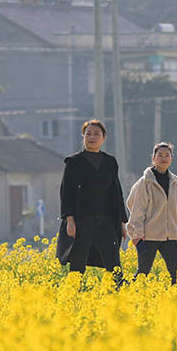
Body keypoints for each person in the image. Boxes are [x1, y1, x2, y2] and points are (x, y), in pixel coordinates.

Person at [56, 119, 128, 284]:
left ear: (103, 138)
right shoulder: (74, 162)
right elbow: (66, 193)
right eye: (88, 134)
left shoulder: (110, 162)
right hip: (82, 221)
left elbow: (117, 193)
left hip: (107, 221)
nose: (92, 137)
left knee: (114, 263)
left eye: (96, 134)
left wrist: (122, 222)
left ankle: (119, 297)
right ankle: (74, 297)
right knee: (78, 263)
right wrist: (69, 220)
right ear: (83, 137)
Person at [125, 142, 177, 284]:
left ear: (171, 159)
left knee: (176, 273)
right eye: (160, 155)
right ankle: (128, 298)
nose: (164, 158)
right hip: (148, 236)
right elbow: (137, 210)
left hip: (169, 236)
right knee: (143, 272)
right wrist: (137, 234)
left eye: (167, 155)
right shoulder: (145, 182)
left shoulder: (174, 182)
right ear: (153, 158)